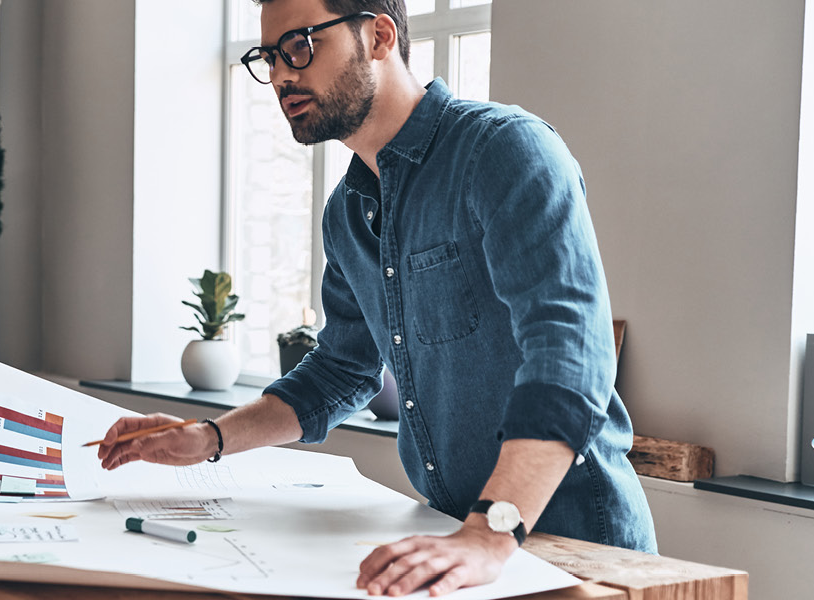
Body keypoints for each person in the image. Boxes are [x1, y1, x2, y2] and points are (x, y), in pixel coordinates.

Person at [98, 0, 657, 595]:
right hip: (456, 545)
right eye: (269, 56)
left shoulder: (504, 151)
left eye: (300, 45)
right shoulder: (347, 212)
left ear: (380, 36)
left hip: (572, 546)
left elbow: (571, 361)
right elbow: (341, 372)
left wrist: (490, 535)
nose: (282, 74)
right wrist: (208, 438)